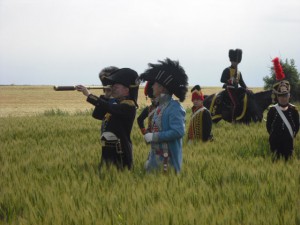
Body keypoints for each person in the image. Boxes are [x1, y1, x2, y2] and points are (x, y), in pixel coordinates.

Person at [76, 68, 139, 170]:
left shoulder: (129, 106)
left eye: (116, 87)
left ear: (126, 90)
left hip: (120, 151)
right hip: (107, 149)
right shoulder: (115, 104)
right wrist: (106, 96)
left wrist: (89, 95)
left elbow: (109, 107)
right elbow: (97, 115)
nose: (113, 88)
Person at [139, 58, 188, 173]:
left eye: (155, 84)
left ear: (162, 88)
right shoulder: (159, 107)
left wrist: (153, 136)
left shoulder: (174, 108)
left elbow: (178, 132)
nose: (152, 86)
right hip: (155, 162)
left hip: (168, 164)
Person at [266, 57, 299, 160]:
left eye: (285, 95)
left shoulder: (294, 110)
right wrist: (275, 135)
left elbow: (297, 126)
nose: (283, 98)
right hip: (275, 142)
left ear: (289, 96)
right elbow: (268, 126)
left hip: (288, 143)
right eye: (281, 96)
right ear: (277, 97)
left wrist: (289, 136)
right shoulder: (272, 110)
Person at [220, 49, 252, 122]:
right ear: (231, 60)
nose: (236, 63)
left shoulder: (239, 72)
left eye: (237, 62)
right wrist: (230, 80)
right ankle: (233, 120)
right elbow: (222, 79)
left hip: (237, 89)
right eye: (234, 61)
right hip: (229, 89)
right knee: (236, 104)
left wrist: (246, 88)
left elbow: (241, 83)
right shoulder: (227, 70)